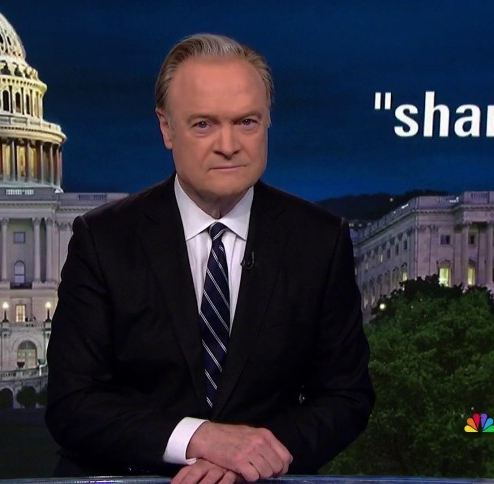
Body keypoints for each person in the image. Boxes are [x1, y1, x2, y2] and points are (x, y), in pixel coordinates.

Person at [46, 33, 374, 482]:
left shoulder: (320, 239)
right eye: (203, 124)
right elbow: (73, 403)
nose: (228, 144)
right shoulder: (103, 239)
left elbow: (346, 397)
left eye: (247, 122)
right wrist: (199, 439)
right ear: (166, 128)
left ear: (268, 122)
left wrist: (251, 458)